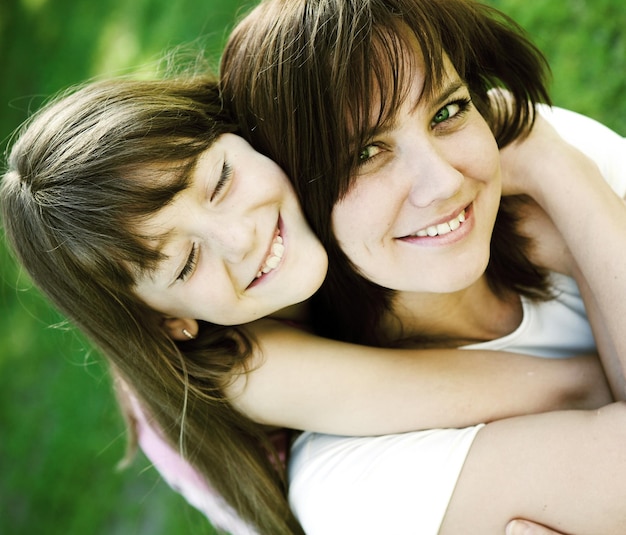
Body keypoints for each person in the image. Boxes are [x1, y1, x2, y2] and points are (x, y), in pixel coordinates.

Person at [0, 74, 610, 535]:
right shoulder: (250, 369)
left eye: (221, 183)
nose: (242, 239)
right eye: (186, 261)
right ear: (171, 321)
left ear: (238, 132)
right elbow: (571, 388)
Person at [220, 0, 626, 533]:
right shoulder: (349, 488)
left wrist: (559, 170)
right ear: (292, 201)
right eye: (365, 153)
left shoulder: (543, 154)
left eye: (447, 111)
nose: (443, 182)